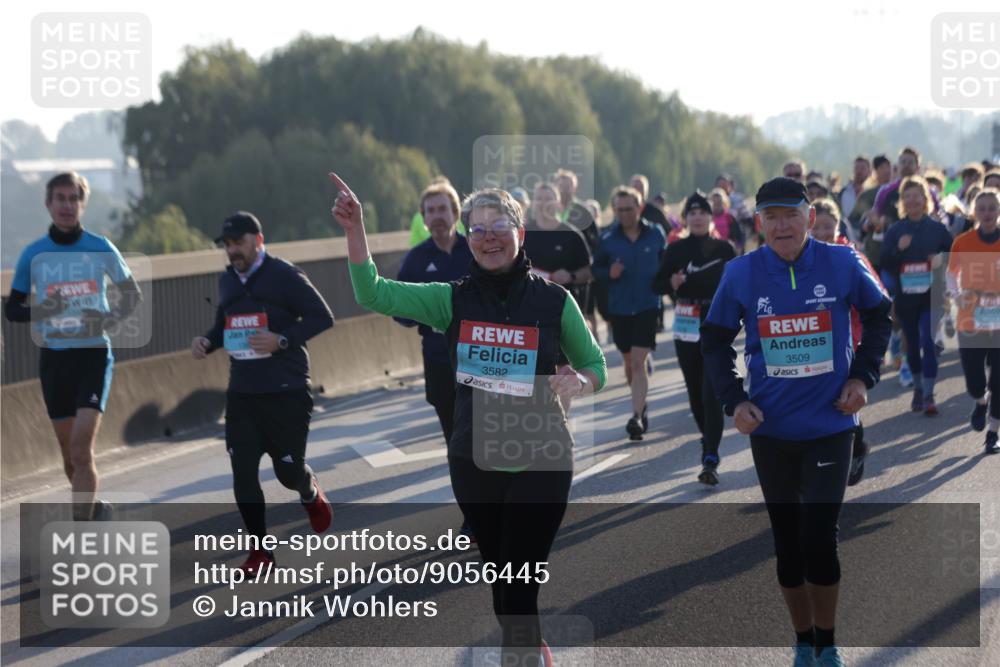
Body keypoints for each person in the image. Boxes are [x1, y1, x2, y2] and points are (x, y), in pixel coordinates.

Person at [332, 173, 606, 667]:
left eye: (499, 225)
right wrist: (356, 230)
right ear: (468, 239)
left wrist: (579, 382)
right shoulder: (449, 300)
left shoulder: (552, 301)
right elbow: (373, 293)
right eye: (477, 230)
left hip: (543, 458)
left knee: (519, 584)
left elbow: (596, 365)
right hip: (474, 459)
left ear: (520, 232)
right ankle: (528, 643)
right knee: (503, 585)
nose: (489, 237)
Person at [702, 177, 892, 667]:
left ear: (810, 217)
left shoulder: (842, 262)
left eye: (791, 215)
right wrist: (734, 402)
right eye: (771, 217)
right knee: (787, 545)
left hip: (831, 424)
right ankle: (803, 639)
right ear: (759, 222)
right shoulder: (742, 273)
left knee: (818, 538)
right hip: (771, 431)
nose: (782, 225)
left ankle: (827, 642)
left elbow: (880, 316)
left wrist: (863, 378)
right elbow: (714, 340)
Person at [191, 211, 335, 574]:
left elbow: (323, 317)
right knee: (242, 472)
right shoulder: (227, 282)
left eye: (238, 242)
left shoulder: (284, 275)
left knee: (287, 474)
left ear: (258, 239)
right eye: (227, 245)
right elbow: (225, 324)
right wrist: (208, 341)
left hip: (285, 391)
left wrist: (281, 340)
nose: (232, 250)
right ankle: (260, 552)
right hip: (243, 393)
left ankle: (308, 490)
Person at [5, 172, 142, 521]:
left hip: (93, 356)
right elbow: (13, 308)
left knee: (82, 450)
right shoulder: (33, 254)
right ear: (48, 204)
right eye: (60, 199)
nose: (67, 205)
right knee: (70, 457)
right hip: (54, 361)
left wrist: (107, 319)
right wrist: (42, 310)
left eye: (73, 199)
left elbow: (131, 295)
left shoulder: (100, 247)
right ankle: (94, 510)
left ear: (82, 204)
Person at [395, 181, 476, 537]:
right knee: (457, 443)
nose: (437, 217)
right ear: (423, 219)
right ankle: (473, 517)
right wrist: (420, 312)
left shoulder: (477, 249)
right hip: (440, 363)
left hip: (483, 359)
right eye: (430, 211)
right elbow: (400, 312)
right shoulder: (416, 259)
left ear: (456, 214)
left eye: (443, 209)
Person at [652, 191, 735, 485]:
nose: (698, 216)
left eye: (703, 212)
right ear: (685, 219)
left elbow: (737, 286)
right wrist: (670, 283)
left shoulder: (724, 249)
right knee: (695, 393)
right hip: (686, 323)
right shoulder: (675, 250)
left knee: (711, 392)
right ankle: (706, 438)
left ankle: (710, 455)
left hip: (715, 323)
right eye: (692, 212)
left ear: (711, 217)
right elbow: (656, 284)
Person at [810, 198, 879, 486]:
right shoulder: (802, 258)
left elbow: (876, 299)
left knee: (843, 400)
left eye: (830, 226)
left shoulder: (850, 257)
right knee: (820, 399)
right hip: (812, 340)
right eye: (818, 227)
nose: (824, 233)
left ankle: (856, 445)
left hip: (850, 337)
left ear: (839, 226)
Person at [594, 185, 667, 440]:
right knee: (629, 363)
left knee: (638, 361)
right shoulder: (607, 239)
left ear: (640, 208)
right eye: (620, 209)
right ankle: (641, 405)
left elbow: (666, 265)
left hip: (648, 306)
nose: (624, 214)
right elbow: (595, 271)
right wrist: (608, 273)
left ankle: (635, 415)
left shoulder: (655, 234)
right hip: (620, 308)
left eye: (629, 208)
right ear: (614, 210)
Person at [880, 176, 954, 415]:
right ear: (902, 201)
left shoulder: (937, 229)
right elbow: (886, 265)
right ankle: (919, 389)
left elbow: (955, 255)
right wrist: (898, 249)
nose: (912, 201)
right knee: (912, 346)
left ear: (925, 200)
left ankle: (930, 395)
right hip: (906, 298)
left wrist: (941, 259)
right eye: (907, 196)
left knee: (928, 342)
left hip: (932, 296)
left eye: (917, 196)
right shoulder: (895, 230)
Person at [947, 188, 1000, 453]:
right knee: (975, 382)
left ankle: (993, 433)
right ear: (974, 212)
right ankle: (981, 401)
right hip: (971, 322)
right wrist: (957, 296)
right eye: (982, 208)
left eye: (992, 207)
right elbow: (949, 274)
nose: (987, 212)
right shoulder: (963, 242)